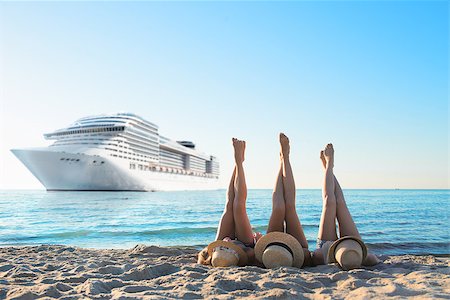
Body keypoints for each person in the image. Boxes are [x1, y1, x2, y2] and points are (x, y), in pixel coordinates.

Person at [312, 143, 380, 269]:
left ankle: (328, 165)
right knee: (340, 202)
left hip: (328, 247)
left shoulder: (323, 256)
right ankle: (328, 167)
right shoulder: (365, 258)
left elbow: (315, 256)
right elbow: (374, 259)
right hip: (354, 245)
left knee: (329, 202)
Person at [198, 138, 261, 267]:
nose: (228, 240)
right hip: (246, 243)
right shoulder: (247, 252)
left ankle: (238, 162)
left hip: (218, 243)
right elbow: (258, 251)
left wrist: (222, 244)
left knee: (229, 205)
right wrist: (258, 240)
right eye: (228, 246)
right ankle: (239, 162)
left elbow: (203, 255)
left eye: (224, 246)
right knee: (238, 206)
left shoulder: (213, 254)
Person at [256, 133, 312, 268]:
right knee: (289, 206)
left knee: (279, 208)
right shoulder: (303, 256)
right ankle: (285, 157)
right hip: (298, 247)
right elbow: (310, 255)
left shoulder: (265, 257)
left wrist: (258, 241)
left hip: (272, 245)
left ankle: (282, 161)